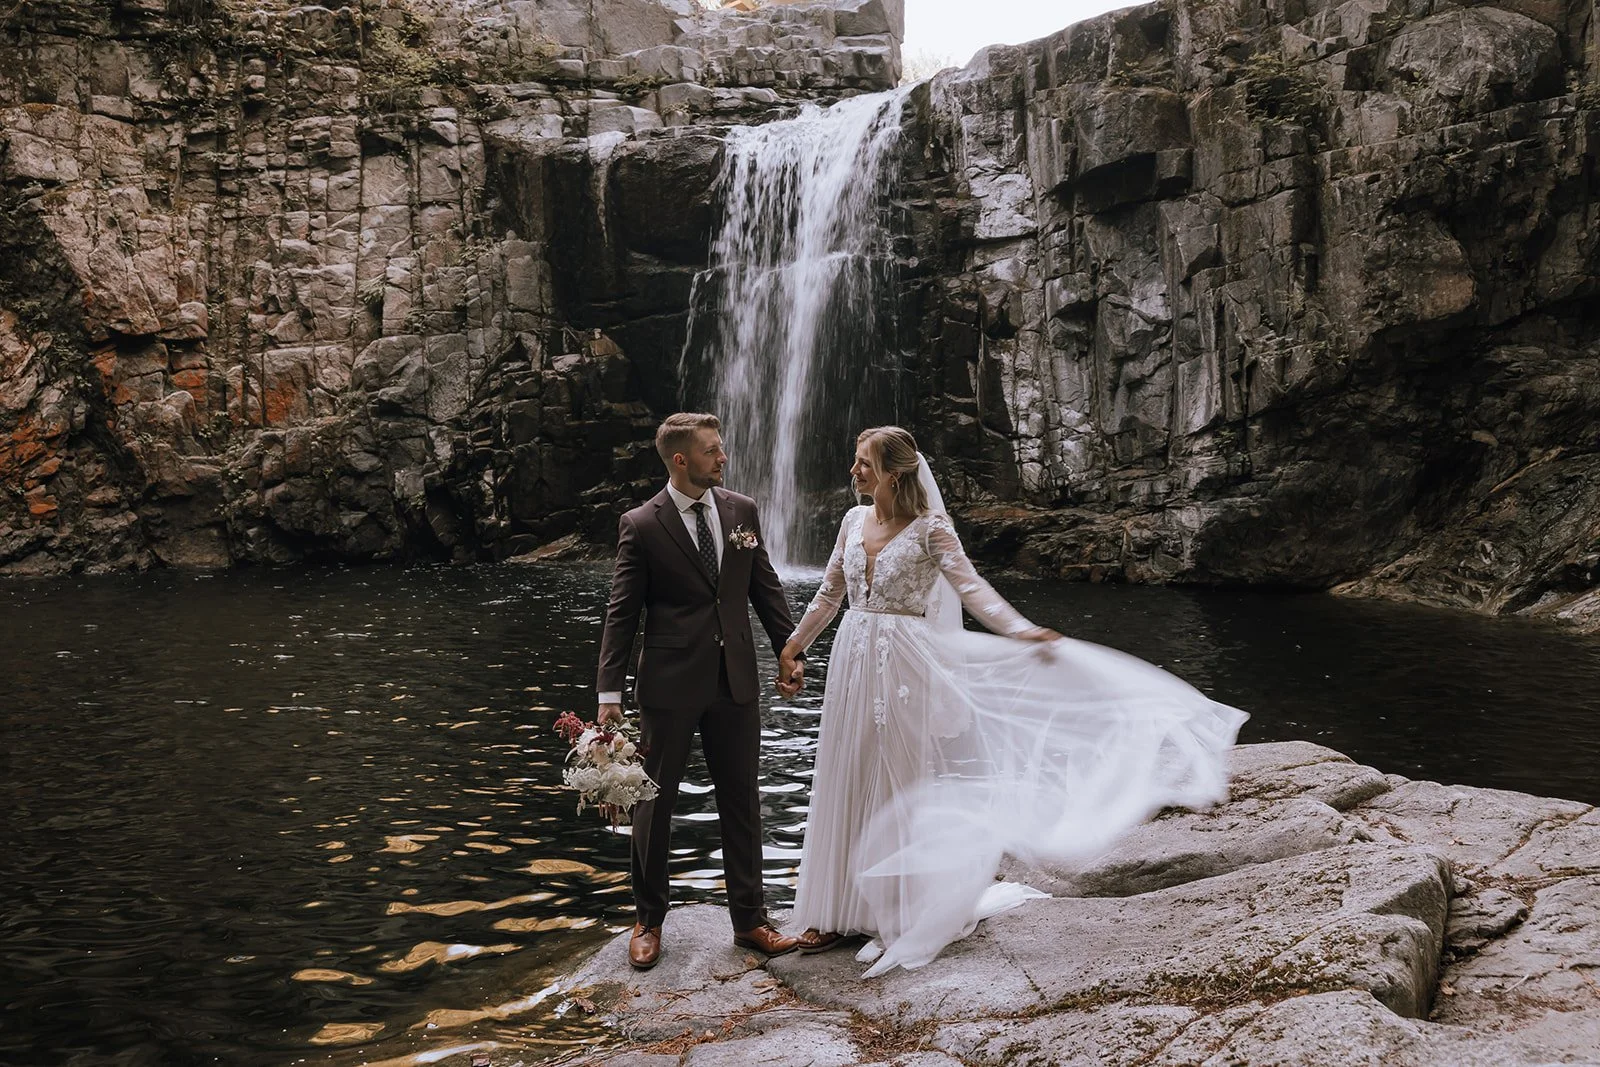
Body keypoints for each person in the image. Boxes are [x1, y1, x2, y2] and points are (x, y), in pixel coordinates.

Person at [781, 426, 1247, 976]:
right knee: (845, 771)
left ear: (896, 472)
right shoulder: (852, 521)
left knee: (899, 775)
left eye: (864, 463)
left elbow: (973, 589)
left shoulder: (932, 529)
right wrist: (794, 645)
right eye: (856, 461)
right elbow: (830, 593)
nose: (854, 472)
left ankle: (899, 912)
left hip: (905, 663)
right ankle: (833, 911)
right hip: (852, 657)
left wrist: (1022, 631)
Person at [595, 412, 807, 970]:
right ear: (681, 460)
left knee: (741, 798)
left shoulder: (742, 510)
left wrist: (791, 651)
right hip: (668, 683)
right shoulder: (641, 524)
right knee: (652, 802)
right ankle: (647, 919)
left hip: (735, 678)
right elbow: (622, 614)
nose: (724, 458)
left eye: (723, 448)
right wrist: (608, 692)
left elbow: (765, 587)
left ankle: (751, 921)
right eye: (713, 451)